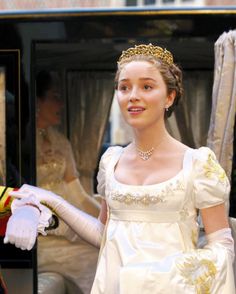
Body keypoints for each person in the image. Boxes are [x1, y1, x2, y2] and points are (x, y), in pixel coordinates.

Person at [6, 44, 235, 293]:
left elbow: (222, 246)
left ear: (169, 97)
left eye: (146, 86)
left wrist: (153, 278)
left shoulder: (198, 164)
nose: (132, 95)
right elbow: (103, 233)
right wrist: (53, 201)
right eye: (124, 87)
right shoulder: (110, 161)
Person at [35, 70, 100, 293]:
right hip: (38, 238)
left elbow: (79, 195)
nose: (61, 104)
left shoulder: (61, 142)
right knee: (95, 260)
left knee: (105, 252)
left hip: (65, 232)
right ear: (37, 101)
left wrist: (107, 218)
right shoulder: (20, 142)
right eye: (54, 96)